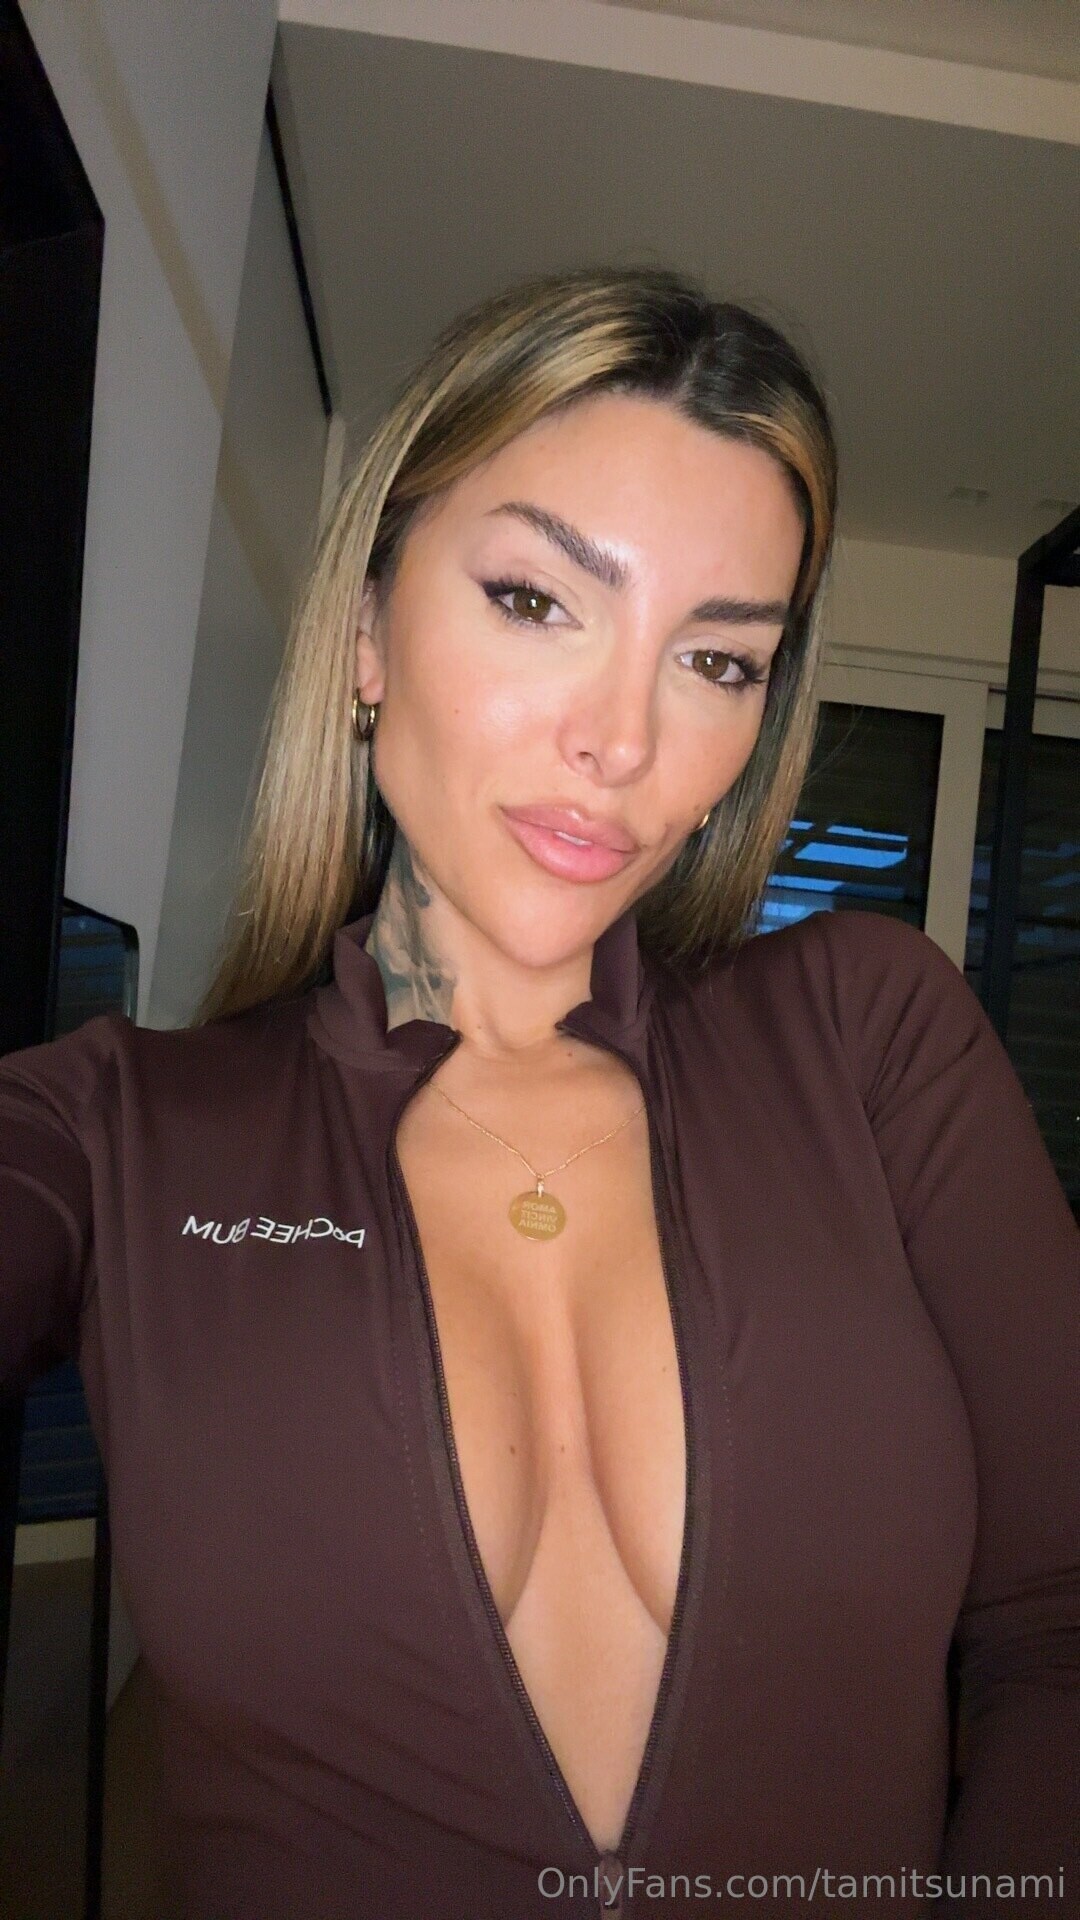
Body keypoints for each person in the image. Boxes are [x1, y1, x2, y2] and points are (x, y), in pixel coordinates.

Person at [1, 265, 1077, 1920]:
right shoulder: (123, 1133)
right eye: (535, 600)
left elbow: (1058, 1626)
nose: (622, 740)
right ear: (368, 632)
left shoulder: (867, 1038)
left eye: (717, 662)